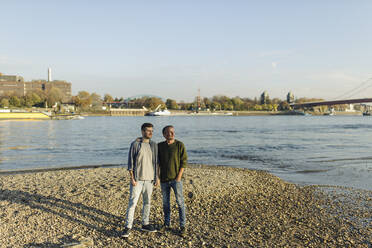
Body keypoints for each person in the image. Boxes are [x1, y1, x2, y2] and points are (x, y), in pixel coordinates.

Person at [122, 123, 159, 238]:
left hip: (150, 180)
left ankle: (145, 223)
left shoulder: (154, 145)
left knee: (147, 202)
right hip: (137, 180)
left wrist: (157, 177)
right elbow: (130, 163)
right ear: (142, 131)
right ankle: (128, 227)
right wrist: (132, 178)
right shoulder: (135, 144)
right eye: (148, 131)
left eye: (152, 130)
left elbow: (156, 162)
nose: (151, 133)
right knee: (133, 203)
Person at [158, 125, 188, 237]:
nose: (171, 134)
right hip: (164, 180)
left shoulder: (180, 145)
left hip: (176, 180)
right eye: (168, 132)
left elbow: (183, 162)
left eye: (172, 132)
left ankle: (182, 226)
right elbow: (157, 162)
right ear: (164, 134)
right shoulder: (160, 146)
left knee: (180, 203)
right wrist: (157, 177)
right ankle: (167, 224)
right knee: (166, 204)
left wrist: (179, 177)